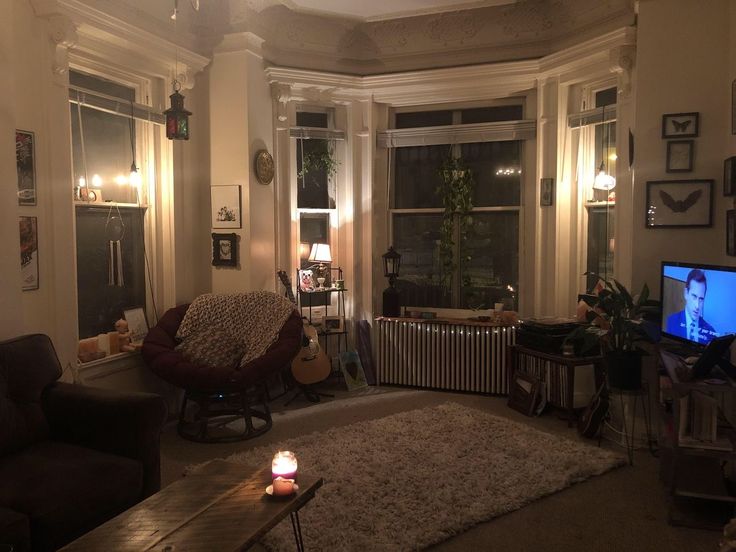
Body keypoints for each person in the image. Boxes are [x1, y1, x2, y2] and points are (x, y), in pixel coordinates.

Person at [666, 269, 717, 344]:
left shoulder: (711, 332)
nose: (697, 306)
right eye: (694, 296)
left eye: (701, 299)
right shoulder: (672, 321)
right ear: (686, 293)